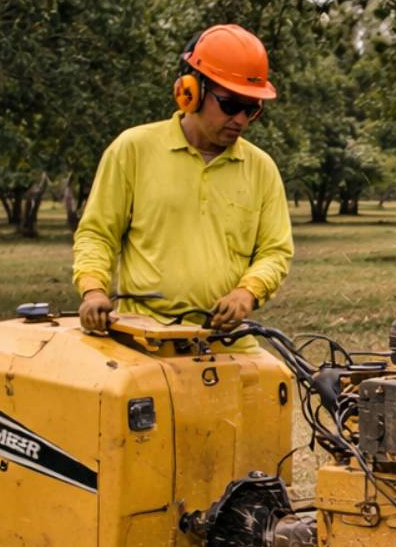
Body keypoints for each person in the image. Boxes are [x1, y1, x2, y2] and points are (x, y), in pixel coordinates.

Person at [72, 24, 293, 333]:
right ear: (191, 91)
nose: (241, 120)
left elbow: (275, 250)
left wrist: (247, 292)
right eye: (231, 104)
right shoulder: (133, 149)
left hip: (226, 342)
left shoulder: (261, 168)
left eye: (252, 109)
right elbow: (97, 233)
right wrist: (93, 289)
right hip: (145, 339)